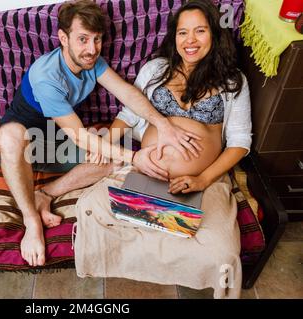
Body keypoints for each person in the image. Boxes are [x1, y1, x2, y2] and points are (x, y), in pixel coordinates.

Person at [0, 0, 202, 267]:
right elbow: (80, 136)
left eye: (97, 39)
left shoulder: (93, 62)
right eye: (82, 39)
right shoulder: (47, 76)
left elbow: (127, 93)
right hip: (23, 146)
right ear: (63, 38)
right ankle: (31, 220)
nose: (91, 49)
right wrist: (134, 157)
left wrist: (162, 124)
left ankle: (45, 194)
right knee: (11, 137)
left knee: (112, 157)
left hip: (57, 140)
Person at [73, 0, 252, 298]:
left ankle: (165, 226)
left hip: (201, 183)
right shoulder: (156, 69)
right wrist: (106, 143)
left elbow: (239, 142)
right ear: (174, 36)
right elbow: (129, 115)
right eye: (183, 33)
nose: (190, 41)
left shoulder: (233, 81)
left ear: (215, 34)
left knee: (223, 253)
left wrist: (202, 179)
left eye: (200, 31)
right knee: (90, 210)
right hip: (145, 169)